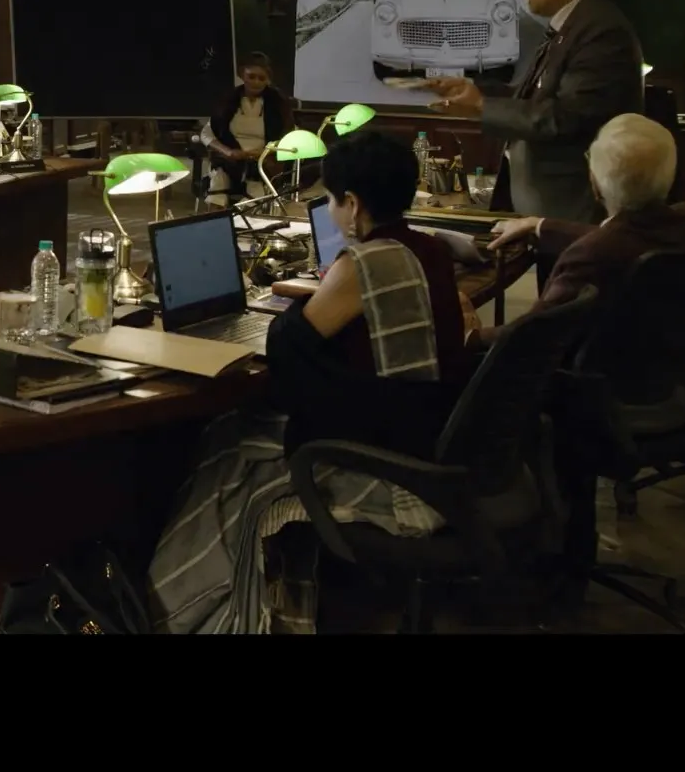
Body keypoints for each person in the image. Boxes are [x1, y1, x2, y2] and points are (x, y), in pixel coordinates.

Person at [148, 130, 477, 635]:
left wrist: (301, 307)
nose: (331, 209)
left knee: (226, 445)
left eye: (331, 200)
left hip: (387, 464)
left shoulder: (366, 262)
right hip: (432, 439)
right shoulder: (429, 249)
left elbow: (288, 346)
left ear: (353, 204)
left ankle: (181, 611)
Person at [423, 0, 643, 223]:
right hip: (546, 210)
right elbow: (536, 96)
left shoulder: (601, 31)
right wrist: (474, 89)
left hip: (570, 212)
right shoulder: (574, 23)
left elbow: (564, 117)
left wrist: (482, 106)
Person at [474, 113, 685, 348]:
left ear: (595, 183)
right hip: (673, 362)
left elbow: (529, 337)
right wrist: (539, 225)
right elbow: (625, 237)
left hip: (590, 371)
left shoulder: (587, 257)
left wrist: (470, 335)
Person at [200, 54, 290, 205]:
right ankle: (218, 214)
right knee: (218, 184)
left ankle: (246, 214)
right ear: (242, 75)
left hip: (263, 161)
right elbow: (206, 134)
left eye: (261, 78)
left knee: (254, 194)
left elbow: (288, 137)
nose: (256, 82)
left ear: (267, 80)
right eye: (251, 76)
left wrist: (264, 152)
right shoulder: (228, 101)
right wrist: (228, 151)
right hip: (230, 159)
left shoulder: (278, 103)